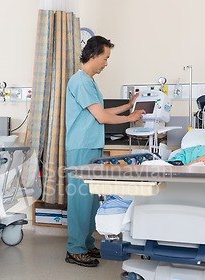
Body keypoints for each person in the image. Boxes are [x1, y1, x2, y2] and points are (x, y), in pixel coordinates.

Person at [65, 36, 146, 267]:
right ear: (93, 55)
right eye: (106, 57)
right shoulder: (80, 81)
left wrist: (128, 106)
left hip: (91, 144)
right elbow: (101, 117)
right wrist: (129, 118)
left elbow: (100, 110)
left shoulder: (89, 82)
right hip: (81, 145)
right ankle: (74, 249)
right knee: (80, 198)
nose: (107, 63)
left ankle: (87, 243)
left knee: (91, 198)